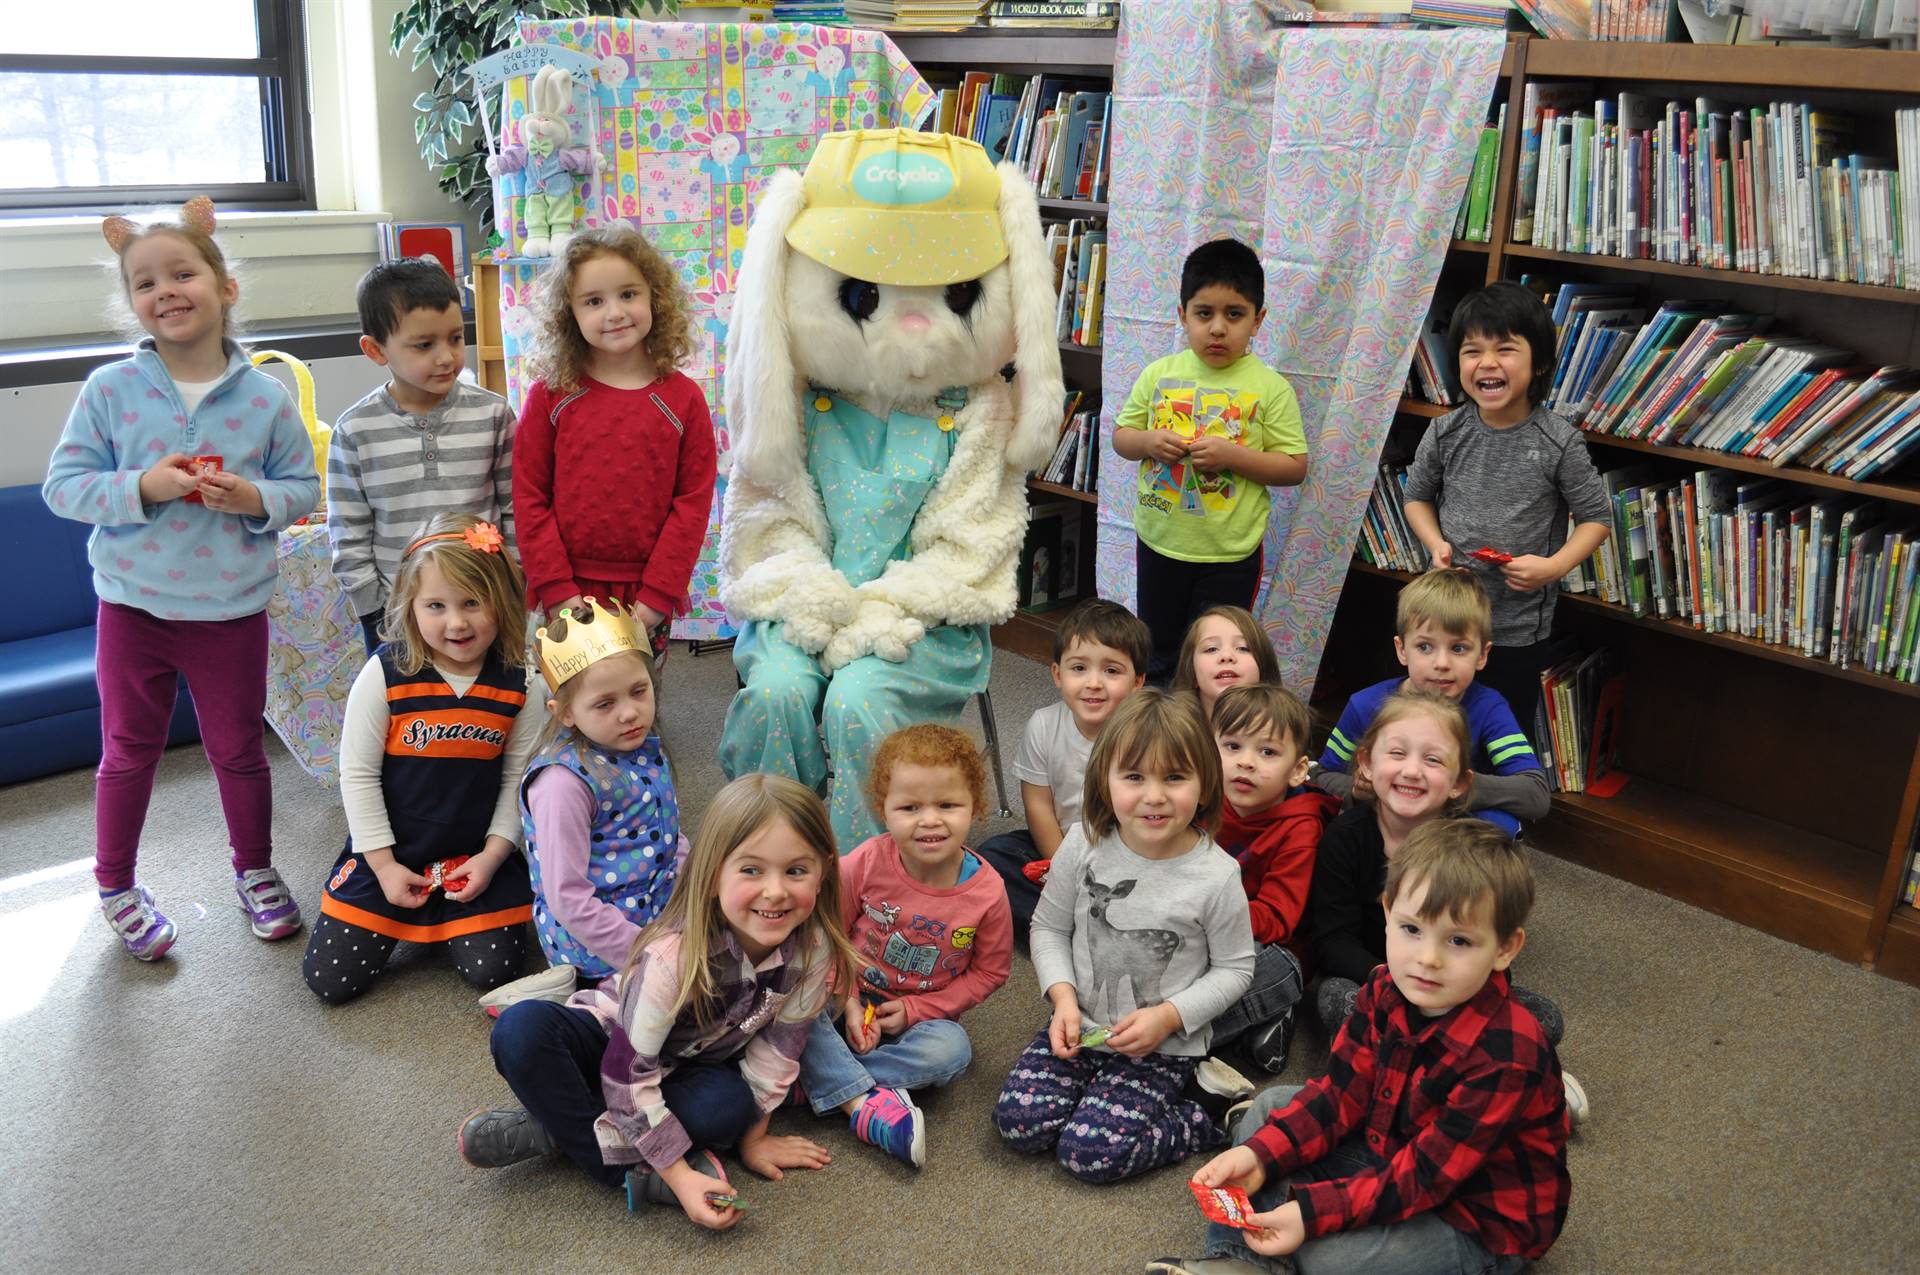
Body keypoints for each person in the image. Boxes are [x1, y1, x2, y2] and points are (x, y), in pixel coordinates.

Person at [43, 196, 319, 961]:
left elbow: (303, 487)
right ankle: (115, 884)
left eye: (182, 272)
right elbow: (63, 489)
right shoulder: (109, 390)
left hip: (231, 612)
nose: (165, 290)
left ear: (224, 287)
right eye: (145, 282)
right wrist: (143, 487)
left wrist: (256, 497)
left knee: (238, 750)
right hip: (133, 609)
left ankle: (255, 869)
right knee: (127, 750)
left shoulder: (266, 397)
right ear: (131, 302)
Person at [1147, 820, 1571, 1275]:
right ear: (1387, 911)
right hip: (1390, 1148)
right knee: (1270, 1109)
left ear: (1506, 948)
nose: (1428, 959)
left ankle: (1295, 1236)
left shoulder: (1507, 1056)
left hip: (1473, 1219)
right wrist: (1261, 1156)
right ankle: (1239, 1261)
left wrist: (1310, 1215)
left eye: (1459, 941)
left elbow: (1423, 1180)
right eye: (1412, 929)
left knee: (1332, 1258)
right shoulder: (1385, 988)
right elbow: (1339, 1095)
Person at [459, 774, 863, 1232]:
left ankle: (557, 1131)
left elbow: (780, 1049)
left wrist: (754, 1141)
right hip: (610, 1043)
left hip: (686, 1066)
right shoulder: (673, 957)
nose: (775, 891)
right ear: (713, 876)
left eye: (796, 871)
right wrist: (678, 1173)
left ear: (824, 870)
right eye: (751, 870)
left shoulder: (813, 952)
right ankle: (633, 1171)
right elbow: (627, 1074)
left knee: (729, 1109)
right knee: (520, 1031)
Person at [992, 690, 1256, 1184]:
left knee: (1088, 1155)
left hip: (1161, 1045)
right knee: (1019, 1126)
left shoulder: (1217, 876)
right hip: (1080, 1028)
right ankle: (1103, 1089)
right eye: (1134, 777)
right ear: (1105, 781)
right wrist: (1063, 1001)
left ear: (1204, 786)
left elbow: (1237, 969)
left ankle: (1204, 1109)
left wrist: (1168, 1018)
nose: (1154, 795)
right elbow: (1049, 927)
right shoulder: (1083, 842)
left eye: (1174, 777)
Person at [301, 513, 538, 1004]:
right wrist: (385, 867)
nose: (456, 622)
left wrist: (493, 859)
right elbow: (359, 776)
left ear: (503, 601)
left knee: (492, 970)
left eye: (473, 602)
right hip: (389, 852)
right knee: (330, 982)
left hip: (474, 856)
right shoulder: (383, 674)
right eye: (436, 605)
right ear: (410, 607)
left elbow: (519, 780)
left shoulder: (522, 683)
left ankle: (452, 913)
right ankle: (408, 904)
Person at [1306, 692, 1575, 1102]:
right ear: (1366, 763)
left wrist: (1451, 994)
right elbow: (1332, 942)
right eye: (1397, 753)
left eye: (1433, 760)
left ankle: (1416, 1075)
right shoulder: (1344, 839)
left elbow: (1489, 941)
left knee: (1543, 1019)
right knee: (1334, 997)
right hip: (1375, 978)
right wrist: (1397, 984)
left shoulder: (1472, 847)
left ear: (1460, 783)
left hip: (1452, 987)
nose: (1412, 771)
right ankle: (1442, 1080)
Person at [797, 724, 1013, 1166]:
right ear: (883, 809)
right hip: (843, 994)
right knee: (795, 995)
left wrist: (916, 1011)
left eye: (948, 805)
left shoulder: (988, 893)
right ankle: (857, 1094)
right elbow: (827, 932)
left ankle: (816, 1080)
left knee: (952, 1052)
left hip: (918, 1018)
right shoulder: (864, 862)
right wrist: (848, 996)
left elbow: (991, 972)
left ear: (976, 809)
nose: (929, 819)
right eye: (910, 807)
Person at [1402, 281, 1611, 738]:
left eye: (1505, 349)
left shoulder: (1559, 441)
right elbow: (1416, 496)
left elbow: (1598, 518)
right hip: (1444, 619)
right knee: (1432, 726)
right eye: (1472, 351)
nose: (1488, 363)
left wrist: (1553, 567)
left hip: (1515, 629)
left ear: (1537, 364)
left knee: (1500, 732)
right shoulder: (1446, 432)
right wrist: (1436, 543)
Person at [512, 225, 717, 658]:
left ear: (653, 298)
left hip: (645, 593)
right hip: (565, 589)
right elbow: (529, 497)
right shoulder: (550, 395)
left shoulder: (683, 400)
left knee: (635, 707)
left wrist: (659, 593)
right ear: (570, 312)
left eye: (628, 294)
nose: (615, 312)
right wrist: (556, 589)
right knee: (566, 708)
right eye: (594, 301)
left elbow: (693, 502)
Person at [1111, 238, 1309, 684]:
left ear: (1258, 320)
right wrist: (1148, 442)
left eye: (1234, 314)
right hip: (1160, 543)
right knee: (1157, 652)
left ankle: (1210, 740)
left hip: (1230, 554)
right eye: (1204, 314)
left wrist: (1235, 457)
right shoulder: (1158, 374)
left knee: (1219, 658)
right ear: (1182, 316)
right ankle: (1160, 741)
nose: (1218, 328)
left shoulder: (1270, 388)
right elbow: (1122, 438)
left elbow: (1294, 466)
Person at [326, 259, 516, 654]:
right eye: (425, 345)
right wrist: (377, 609)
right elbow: (349, 533)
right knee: (411, 712)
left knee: (496, 704)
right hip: (397, 617)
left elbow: (513, 507)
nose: (446, 357)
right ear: (376, 350)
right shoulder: (355, 430)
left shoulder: (494, 414)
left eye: (456, 338)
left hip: (486, 605)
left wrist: (513, 586)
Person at [519, 601, 681, 991]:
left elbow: (663, 834)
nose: (629, 713)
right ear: (565, 713)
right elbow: (568, 899)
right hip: (601, 945)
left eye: (639, 691)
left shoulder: (637, 747)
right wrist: (644, 952)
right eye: (605, 703)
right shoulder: (562, 784)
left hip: (658, 912)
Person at [1315, 568, 1548, 837]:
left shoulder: (1488, 708)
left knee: (1499, 826)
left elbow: (1536, 794)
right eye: (1425, 647)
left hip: (1452, 833)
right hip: (1385, 819)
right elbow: (1320, 777)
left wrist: (1452, 785)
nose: (1441, 664)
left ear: (1482, 655)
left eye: (1458, 648)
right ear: (1402, 649)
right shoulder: (1365, 705)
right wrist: (1360, 791)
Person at [978, 598, 1150, 935]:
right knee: (992, 858)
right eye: (1079, 668)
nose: (1094, 683)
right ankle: (1084, 930)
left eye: (1112, 671)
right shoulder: (1043, 725)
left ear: (1137, 682)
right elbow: (1038, 805)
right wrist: (1061, 868)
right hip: (1057, 843)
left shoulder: (1147, 734)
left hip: (1125, 850)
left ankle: (1072, 928)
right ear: (1057, 674)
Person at [1203, 685, 1340, 1077]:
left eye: (1267, 752)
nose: (1246, 763)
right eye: (1232, 747)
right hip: (1205, 927)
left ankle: (1182, 1035)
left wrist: (1202, 915)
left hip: (1273, 945)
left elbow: (1278, 919)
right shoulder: (1203, 800)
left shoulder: (1302, 828)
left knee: (1270, 971)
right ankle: (1259, 1020)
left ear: (1298, 770)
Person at [1169, 605, 1284, 727]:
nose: (1227, 656)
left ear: (1264, 667)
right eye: (1211, 649)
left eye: (1243, 648)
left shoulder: (1285, 730)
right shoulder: (1166, 735)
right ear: (1192, 672)